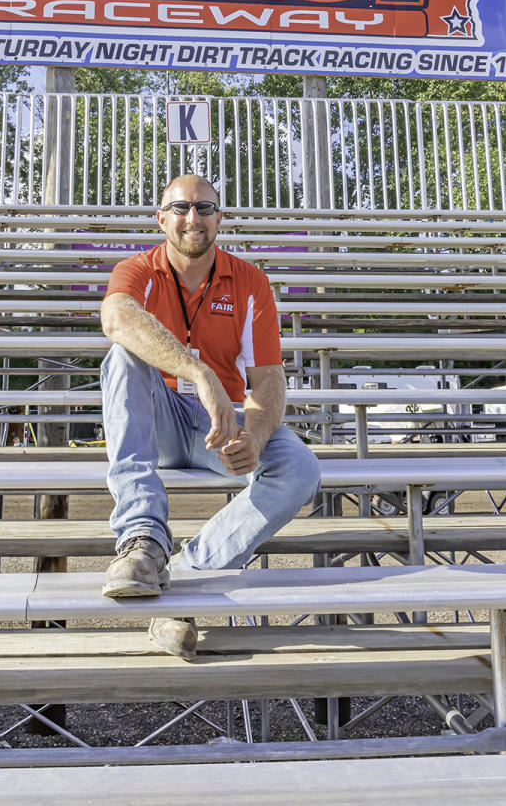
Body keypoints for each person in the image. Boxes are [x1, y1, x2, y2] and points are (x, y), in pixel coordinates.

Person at [99, 173, 321, 660]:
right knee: (122, 355)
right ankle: (141, 539)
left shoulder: (249, 281)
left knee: (301, 468)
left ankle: (181, 579)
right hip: (159, 422)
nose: (191, 218)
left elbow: (267, 379)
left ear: (220, 218)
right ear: (161, 218)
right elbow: (116, 318)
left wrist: (257, 437)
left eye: (204, 208)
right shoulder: (137, 269)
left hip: (217, 428)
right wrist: (202, 374)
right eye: (179, 208)